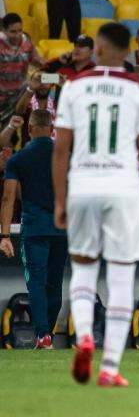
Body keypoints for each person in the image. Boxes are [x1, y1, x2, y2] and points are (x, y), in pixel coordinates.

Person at [52, 22, 139, 386]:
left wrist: (60, 199)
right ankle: (110, 368)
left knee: (83, 270)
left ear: (97, 50)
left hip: (83, 184)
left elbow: (60, 150)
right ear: (128, 53)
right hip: (123, 188)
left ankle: (84, 335)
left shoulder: (73, 86)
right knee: (120, 277)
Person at [0, 110, 68, 349]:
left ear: (28, 129)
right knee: (55, 283)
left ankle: (43, 335)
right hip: (62, 228)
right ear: (52, 130)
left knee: (36, 283)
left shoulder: (18, 159)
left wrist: (5, 235)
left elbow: (9, 198)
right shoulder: (65, 156)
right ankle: (47, 330)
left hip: (34, 228)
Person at [0, 13, 44, 126]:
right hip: (1, 97)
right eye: (13, 32)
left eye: (20, 30)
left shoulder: (27, 44)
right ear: (3, 30)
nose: (18, 35)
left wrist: (56, 73)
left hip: (19, 99)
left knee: (10, 138)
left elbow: (41, 64)